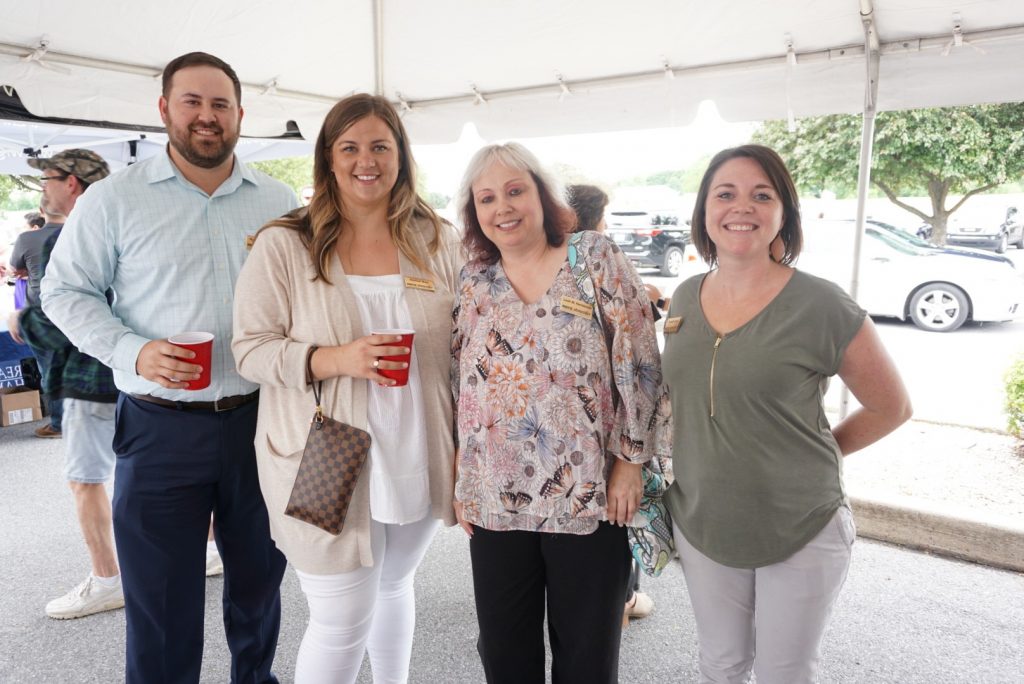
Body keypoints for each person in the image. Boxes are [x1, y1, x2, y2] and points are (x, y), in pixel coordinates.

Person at [41, 52, 294, 683]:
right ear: (164, 109)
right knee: (160, 601)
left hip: (262, 423)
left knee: (260, 583)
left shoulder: (278, 199)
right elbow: (64, 291)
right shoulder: (114, 200)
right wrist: (133, 351)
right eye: (192, 102)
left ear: (240, 115)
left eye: (220, 104)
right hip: (159, 429)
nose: (207, 116)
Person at [233, 93, 463, 684]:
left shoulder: (437, 239)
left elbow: (471, 342)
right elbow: (250, 350)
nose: (367, 160)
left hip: (417, 442)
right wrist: (335, 359)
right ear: (329, 159)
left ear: (401, 156)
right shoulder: (287, 243)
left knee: (395, 584)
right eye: (350, 147)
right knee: (339, 620)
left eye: (380, 146)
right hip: (324, 452)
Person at [661, 144, 912, 684]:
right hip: (704, 521)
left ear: (784, 214)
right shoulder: (682, 297)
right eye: (725, 194)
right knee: (720, 665)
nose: (741, 207)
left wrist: (816, 454)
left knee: (784, 673)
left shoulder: (822, 305)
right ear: (705, 210)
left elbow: (891, 406)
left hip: (801, 523)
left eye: (762, 195)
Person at [452, 143, 671, 683]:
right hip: (497, 499)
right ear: (474, 212)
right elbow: (462, 383)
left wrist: (630, 462)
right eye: (486, 198)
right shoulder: (475, 279)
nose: (502, 207)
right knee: (505, 655)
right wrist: (463, 478)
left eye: (515, 190)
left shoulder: (592, 257)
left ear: (543, 195)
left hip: (589, 494)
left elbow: (641, 362)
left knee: (586, 658)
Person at [13, 150, 124, 619]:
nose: (44, 188)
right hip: (141, 376)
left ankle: (107, 580)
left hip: (89, 377)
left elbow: (63, 320)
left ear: (72, 183)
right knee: (161, 472)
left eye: (48, 179)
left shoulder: (67, 239)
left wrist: (23, 321)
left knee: (86, 480)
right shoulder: (127, 227)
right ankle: (209, 549)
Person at [567, 182, 655, 625]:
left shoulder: (579, 260)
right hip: (599, 456)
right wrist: (631, 459)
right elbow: (638, 366)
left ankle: (620, 601)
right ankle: (624, 600)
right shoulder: (596, 252)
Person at [9, 174, 81, 438]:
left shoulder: (26, 239)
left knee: (50, 369)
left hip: (42, 313)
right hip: (79, 308)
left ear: (41, 211)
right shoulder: (80, 232)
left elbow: (15, 269)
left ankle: (60, 424)